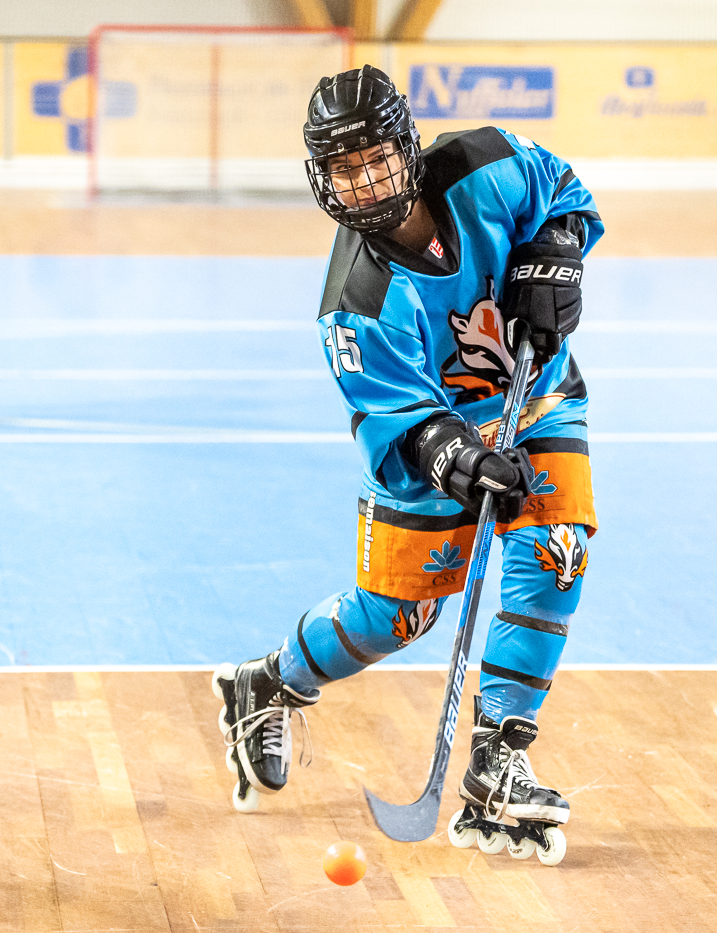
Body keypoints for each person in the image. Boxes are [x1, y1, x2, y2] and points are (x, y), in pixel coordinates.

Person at [213, 65, 601, 862]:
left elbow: (563, 194)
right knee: (398, 617)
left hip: (537, 400)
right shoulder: (354, 304)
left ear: (408, 145)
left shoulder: (488, 163)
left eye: (377, 158)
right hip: (436, 445)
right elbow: (402, 424)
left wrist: (555, 252)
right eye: (344, 169)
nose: (365, 181)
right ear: (322, 179)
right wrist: (459, 459)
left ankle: (499, 754)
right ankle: (270, 681)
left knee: (557, 548)